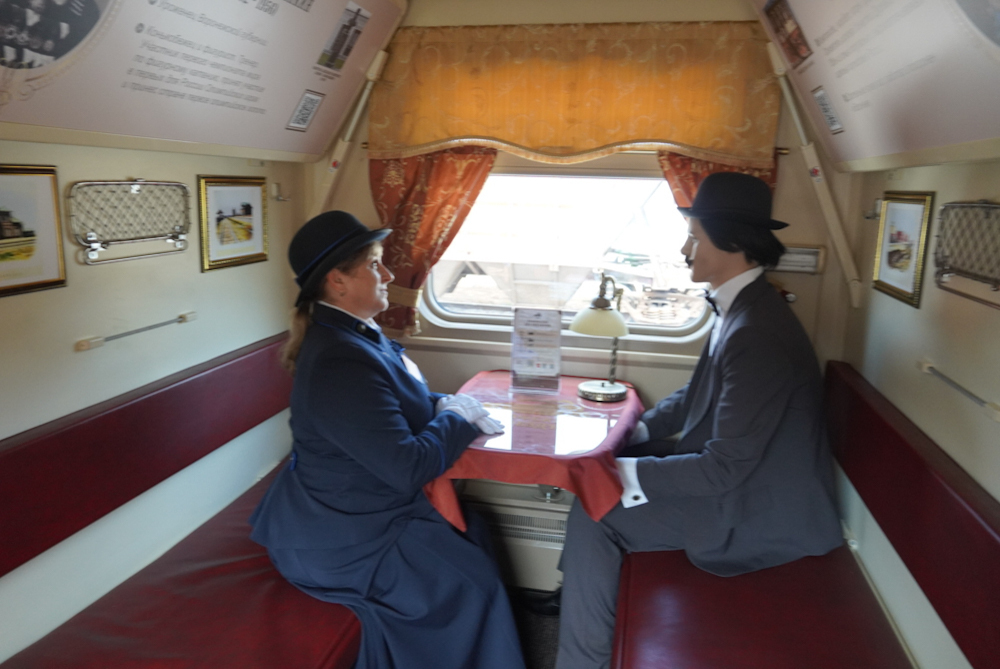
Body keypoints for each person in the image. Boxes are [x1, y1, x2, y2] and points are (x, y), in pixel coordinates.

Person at [554, 173, 843, 669]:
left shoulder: (756, 334)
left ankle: (582, 656)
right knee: (609, 477)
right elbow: (697, 395)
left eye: (695, 237)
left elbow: (723, 468)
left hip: (758, 508)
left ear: (731, 242)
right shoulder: (742, 306)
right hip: (747, 479)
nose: (685, 249)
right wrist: (631, 434)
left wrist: (613, 472)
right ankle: (578, 597)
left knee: (595, 511)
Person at [249, 211, 526, 669]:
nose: (389, 275)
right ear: (338, 281)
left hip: (363, 512)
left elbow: (396, 404)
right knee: (475, 586)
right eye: (375, 265)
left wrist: (443, 405)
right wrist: (457, 417)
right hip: (337, 537)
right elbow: (408, 468)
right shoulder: (340, 361)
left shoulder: (355, 336)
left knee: (474, 530)